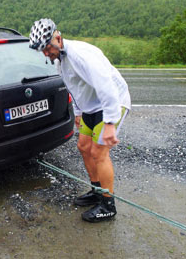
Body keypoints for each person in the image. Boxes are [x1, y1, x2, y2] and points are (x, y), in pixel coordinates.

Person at [28, 18, 131, 223]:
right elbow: (74, 88)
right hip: (91, 106)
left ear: (58, 36)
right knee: (84, 146)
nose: (46, 53)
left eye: (47, 48)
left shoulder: (81, 56)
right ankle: (97, 191)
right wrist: (78, 112)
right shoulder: (60, 60)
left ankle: (108, 205)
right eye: (42, 50)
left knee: (99, 152)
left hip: (112, 103)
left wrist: (110, 123)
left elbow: (106, 86)